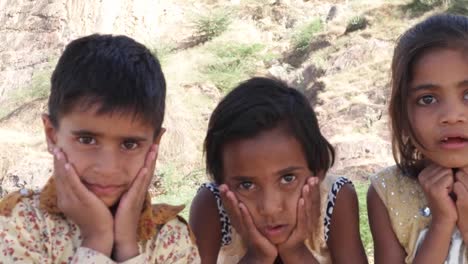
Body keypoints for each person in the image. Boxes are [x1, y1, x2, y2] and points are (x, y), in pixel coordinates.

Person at [0, 34, 200, 263]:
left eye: (129, 144)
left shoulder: (172, 238)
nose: (107, 168)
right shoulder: (17, 223)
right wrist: (97, 239)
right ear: (51, 135)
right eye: (87, 140)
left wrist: (127, 247)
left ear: (154, 146)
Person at [189, 77, 367, 264]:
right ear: (222, 182)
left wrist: (295, 252)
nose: (270, 208)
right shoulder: (212, 205)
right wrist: (257, 256)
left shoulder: (335, 198)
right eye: (246, 185)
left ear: (318, 169)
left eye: (288, 178)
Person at [368, 14, 468, 264]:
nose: (451, 116)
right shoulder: (388, 193)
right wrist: (441, 224)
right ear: (403, 112)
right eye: (427, 99)